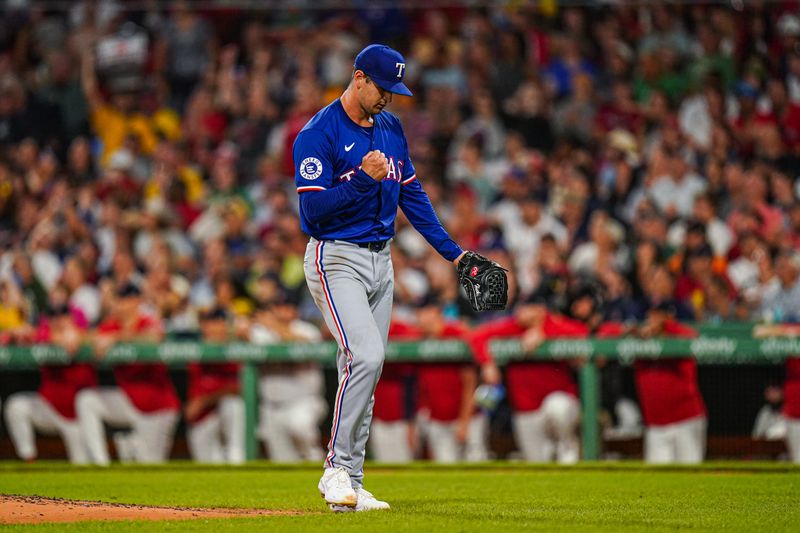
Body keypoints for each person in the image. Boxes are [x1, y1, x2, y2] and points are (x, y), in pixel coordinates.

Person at [295, 44, 480, 512]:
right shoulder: (317, 133)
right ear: (358, 78)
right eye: (382, 88)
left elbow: (411, 195)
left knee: (364, 368)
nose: (388, 98)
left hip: (382, 259)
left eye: (395, 90)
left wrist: (455, 255)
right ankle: (335, 468)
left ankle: (351, 485)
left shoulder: (391, 128)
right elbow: (311, 213)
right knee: (367, 355)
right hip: (336, 257)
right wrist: (360, 178)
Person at [469, 294, 585, 464]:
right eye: (520, 308)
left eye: (526, 308)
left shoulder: (553, 324)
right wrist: (487, 363)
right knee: (535, 464)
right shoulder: (514, 326)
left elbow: (582, 333)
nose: (520, 312)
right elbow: (477, 336)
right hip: (525, 409)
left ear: (540, 310)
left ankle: (567, 446)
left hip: (557, 404)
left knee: (557, 407)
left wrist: (545, 333)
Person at [75, 284, 180, 465]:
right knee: (87, 400)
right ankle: (101, 464)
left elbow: (154, 337)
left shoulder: (147, 321)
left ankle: (132, 446)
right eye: (119, 299)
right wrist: (71, 336)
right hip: (129, 401)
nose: (121, 304)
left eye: (126, 299)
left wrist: (116, 338)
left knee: (151, 467)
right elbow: (84, 337)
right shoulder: (111, 326)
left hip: (157, 407)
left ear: (136, 301)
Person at [4, 302, 96, 464]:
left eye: (63, 315)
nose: (59, 320)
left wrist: (78, 337)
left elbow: (92, 335)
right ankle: (29, 460)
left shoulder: (83, 333)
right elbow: (30, 334)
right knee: (16, 406)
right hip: (50, 408)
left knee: (82, 465)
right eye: (54, 316)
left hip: (78, 418)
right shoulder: (46, 333)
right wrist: (54, 337)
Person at [633, 302, 706, 464]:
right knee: (657, 483)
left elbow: (693, 337)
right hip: (655, 425)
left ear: (669, 317)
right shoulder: (641, 340)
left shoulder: (679, 335)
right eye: (651, 315)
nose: (653, 320)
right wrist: (635, 332)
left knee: (691, 478)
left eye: (658, 315)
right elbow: (607, 333)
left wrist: (666, 327)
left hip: (685, 420)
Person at [185, 307, 244, 464]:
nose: (214, 327)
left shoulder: (236, 348)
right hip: (203, 416)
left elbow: (240, 388)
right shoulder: (195, 350)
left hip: (221, 409)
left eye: (218, 322)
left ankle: (236, 458)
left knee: (233, 405)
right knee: (207, 463)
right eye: (210, 323)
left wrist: (206, 399)